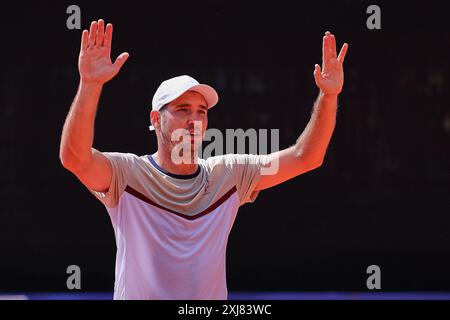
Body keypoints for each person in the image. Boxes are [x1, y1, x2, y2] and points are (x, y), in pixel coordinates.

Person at [59, 19, 348, 300]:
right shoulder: (128, 173)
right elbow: (75, 159)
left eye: (201, 111)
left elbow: (306, 157)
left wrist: (329, 95)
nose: (195, 119)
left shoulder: (229, 173)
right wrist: (90, 84)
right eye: (183, 109)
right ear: (156, 120)